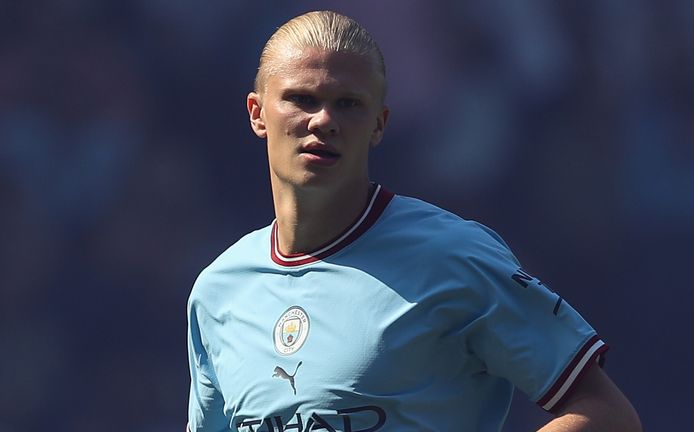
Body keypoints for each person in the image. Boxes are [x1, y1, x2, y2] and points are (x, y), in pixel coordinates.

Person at [186, 10, 641, 432]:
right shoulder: (218, 291)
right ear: (257, 113)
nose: (323, 120)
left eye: (348, 104)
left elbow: (606, 413)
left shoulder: (454, 256)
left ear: (380, 124)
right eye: (301, 99)